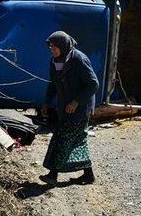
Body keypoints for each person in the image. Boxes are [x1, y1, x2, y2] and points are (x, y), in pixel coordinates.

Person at [39, 31, 99, 186]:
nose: (52, 50)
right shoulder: (54, 61)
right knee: (77, 141)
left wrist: (76, 102)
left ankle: (53, 175)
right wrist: (46, 103)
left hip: (80, 109)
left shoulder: (78, 59)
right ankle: (88, 175)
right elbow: (53, 84)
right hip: (65, 109)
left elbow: (93, 84)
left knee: (62, 139)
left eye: (55, 47)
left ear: (64, 46)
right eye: (51, 47)